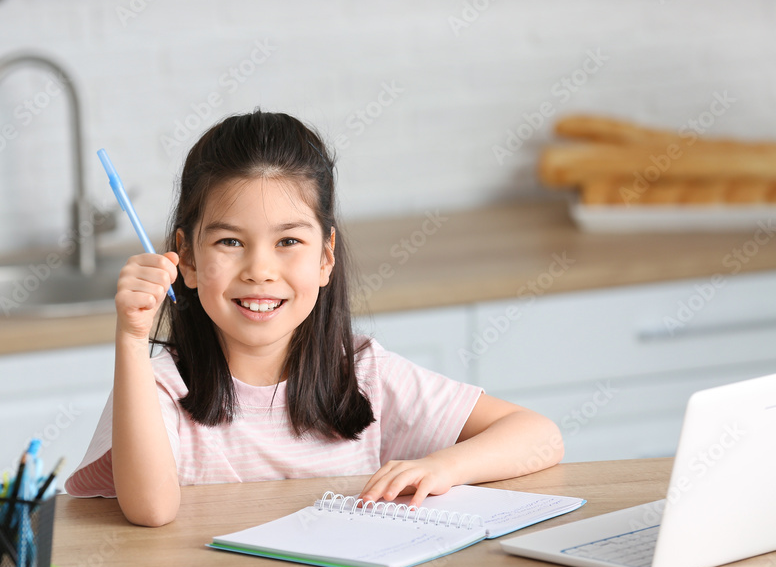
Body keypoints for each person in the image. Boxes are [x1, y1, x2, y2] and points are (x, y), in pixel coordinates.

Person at [66, 110, 563, 526]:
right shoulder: (158, 388)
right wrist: (131, 339)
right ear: (187, 260)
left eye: (288, 242)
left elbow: (540, 435)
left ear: (325, 257)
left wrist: (443, 466)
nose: (260, 270)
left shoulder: (363, 373)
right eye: (229, 241)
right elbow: (151, 509)